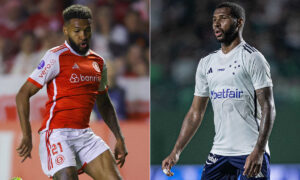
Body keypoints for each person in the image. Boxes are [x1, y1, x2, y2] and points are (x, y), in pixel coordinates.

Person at [162, 2, 276, 180]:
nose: (216, 24)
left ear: (239, 23)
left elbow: (268, 107)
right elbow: (195, 112)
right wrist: (176, 151)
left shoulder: (253, 58)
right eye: (214, 19)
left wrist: (259, 150)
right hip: (219, 152)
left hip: (250, 150)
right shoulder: (206, 63)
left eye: (222, 18)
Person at [16, 5, 128, 180]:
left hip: (85, 135)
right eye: (77, 31)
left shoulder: (98, 62)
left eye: (86, 30)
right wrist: (27, 135)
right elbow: (23, 94)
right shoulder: (55, 57)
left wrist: (119, 137)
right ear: (66, 30)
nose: (83, 36)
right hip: (57, 134)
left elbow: (104, 102)